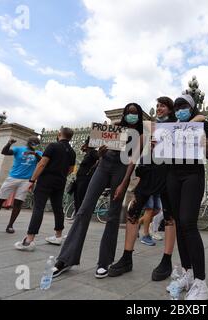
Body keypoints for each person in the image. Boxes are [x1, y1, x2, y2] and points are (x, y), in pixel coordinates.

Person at [107, 96, 206, 282]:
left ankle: (166, 260)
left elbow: (200, 119)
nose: (159, 108)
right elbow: (134, 154)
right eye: (158, 106)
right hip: (148, 173)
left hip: (168, 174)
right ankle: (126, 257)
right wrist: (124, 181)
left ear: (171, 110)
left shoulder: (176, 124)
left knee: (169, 216)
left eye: (163, 106)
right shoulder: (150, 126)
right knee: (133, 210)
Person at [52, 103, 144, 278]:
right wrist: (101, 153)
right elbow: (100, 146)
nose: (131, 115)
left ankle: (104, 262)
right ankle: (65, 259)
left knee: (113, 215)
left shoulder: (140, 134)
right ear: (125, 113)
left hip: (121, 168)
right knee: (84, 210)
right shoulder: (116, 127)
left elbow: (133, 160)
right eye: (129, 112)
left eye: (135, 113)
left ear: (139, 116)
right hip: (104, 165)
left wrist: (124, 184)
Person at [165, 94, 208, 300]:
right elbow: (160, 153)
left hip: (193, 174)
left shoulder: (204, 124)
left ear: (192, 107)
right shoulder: (169, 128)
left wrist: (205, 144)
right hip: (173, 176)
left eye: (183, 106)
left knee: (188, 223)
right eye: (176, 107)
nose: (179, 110)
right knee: (179, 224)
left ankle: (201, 283)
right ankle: (188, 273)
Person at [14, 128, 76, 251]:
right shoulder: (72, 152)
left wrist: (32, 180)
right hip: (60, 181)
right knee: (58, 208)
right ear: (70, 137)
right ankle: (58, 236)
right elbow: (71, 169)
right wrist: (61, 175)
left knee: (38, 208)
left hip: (45, 180)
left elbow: (42, 163)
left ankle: (29, 240)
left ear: (59, 135)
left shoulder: (53, 146)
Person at [0, 137, 42, 234]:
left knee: (18, 203)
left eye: (36, 143)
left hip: (26, 180)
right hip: (12, 178)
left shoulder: (39, 153)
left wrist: (35, 154)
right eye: (33, 143)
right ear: (28, 143)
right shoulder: (18, 149)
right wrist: (9, 143)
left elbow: (41, 162)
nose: (34, 145)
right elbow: (4, 152)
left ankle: (10, 225)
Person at [67, 136, 105, 220]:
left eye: (86, 143)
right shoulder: (89, 152)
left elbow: (99, 156)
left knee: (80, 199)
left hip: (85, 179)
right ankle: (77, 217)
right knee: (77, 198)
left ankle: (79, 218)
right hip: (80, 179)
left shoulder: (93, 152)